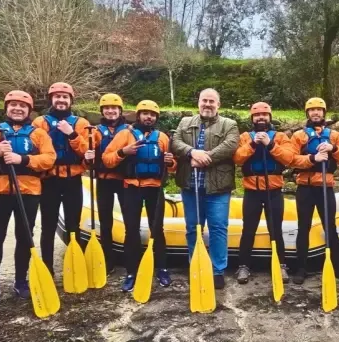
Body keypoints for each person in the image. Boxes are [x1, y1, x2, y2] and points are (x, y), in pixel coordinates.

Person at [0, 91, 56, 304]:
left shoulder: (38, 134)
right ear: (6, 108)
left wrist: (22, 159)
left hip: (28, 191)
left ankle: (21, 281)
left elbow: (49, 159)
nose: (18, 109)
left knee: (25, 237)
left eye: (23, 106)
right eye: (13, 105)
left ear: (29, 110)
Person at [101, 100, 176, 291]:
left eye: (152, 114)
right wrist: (122, 152)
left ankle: (162, 269)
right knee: (131, 230)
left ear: (156, 118)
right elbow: (107, 160)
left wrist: (170, 162)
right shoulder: (125, 134)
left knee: (157, 229)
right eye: (145, 114)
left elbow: (173, 166)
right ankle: (131, 271)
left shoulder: (163, 138)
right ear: (138, 115)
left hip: (155, 188)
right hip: (132, 187)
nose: (148, 117)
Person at [171, 89, 240, 289]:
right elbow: (175, 143)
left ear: (218, 104)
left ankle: (218, 270)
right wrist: (192, 151)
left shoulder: (230, 124)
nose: (207, 104)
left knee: (218, 228)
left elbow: (230, 145)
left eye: (212, 101)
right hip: (190, 186)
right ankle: (197, 264)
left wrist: (204, 157)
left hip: (218, 188)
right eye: (204, 100)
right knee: (193, 228)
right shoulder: (185, 122)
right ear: (198, 102)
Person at [288, 97, 339, 284]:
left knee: (329, 227)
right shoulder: (299, 136)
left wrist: (333, 149)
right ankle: (301, 268)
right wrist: (312, 158)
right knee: (304, 227)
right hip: (305, 187)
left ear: (324, 113)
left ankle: (338, 268)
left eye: (319, 110)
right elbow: (291, 159)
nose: (316, 113)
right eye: (312, 110)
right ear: (307, 113)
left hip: (325, 186)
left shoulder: (334, 136)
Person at [232, 102, 295, 284]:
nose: (261, 118)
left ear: (270, 117)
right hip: (252, 191)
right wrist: (253, 144)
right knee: (248, 230)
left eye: (264, 115)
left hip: (273, 191)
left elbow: (289, 158)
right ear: (252, 118)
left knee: (275, 230)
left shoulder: (281, 136)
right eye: (257, 115)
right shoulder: (245, 137)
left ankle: (281, 265)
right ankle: (243, 266)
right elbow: (237, 158)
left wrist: (270, 144)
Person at [32, 82, 91, 273]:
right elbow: (35, 149)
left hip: (73, 180)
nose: (61, 100)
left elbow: (87, 152)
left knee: (74, 224)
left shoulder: (81, 124)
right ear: (51, 99)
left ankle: (76, 265)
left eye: (65, 97)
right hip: (49, 181)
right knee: (48, 226)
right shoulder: (40, 123)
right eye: (57, 96)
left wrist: (71, 133)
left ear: (70, 100)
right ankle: (47, 268)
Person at [84, 93, 128, 273]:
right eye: (107, 108)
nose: (111, 111)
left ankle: (129, 257)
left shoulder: (128, 130)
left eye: (114, 108)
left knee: (129, 220)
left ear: (120, 111)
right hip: (104, 181)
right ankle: (107, 259)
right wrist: (88, 159)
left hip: (124, 180)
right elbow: (87, 159)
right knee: (105, 221)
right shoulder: (94, 132)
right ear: (102, 111)